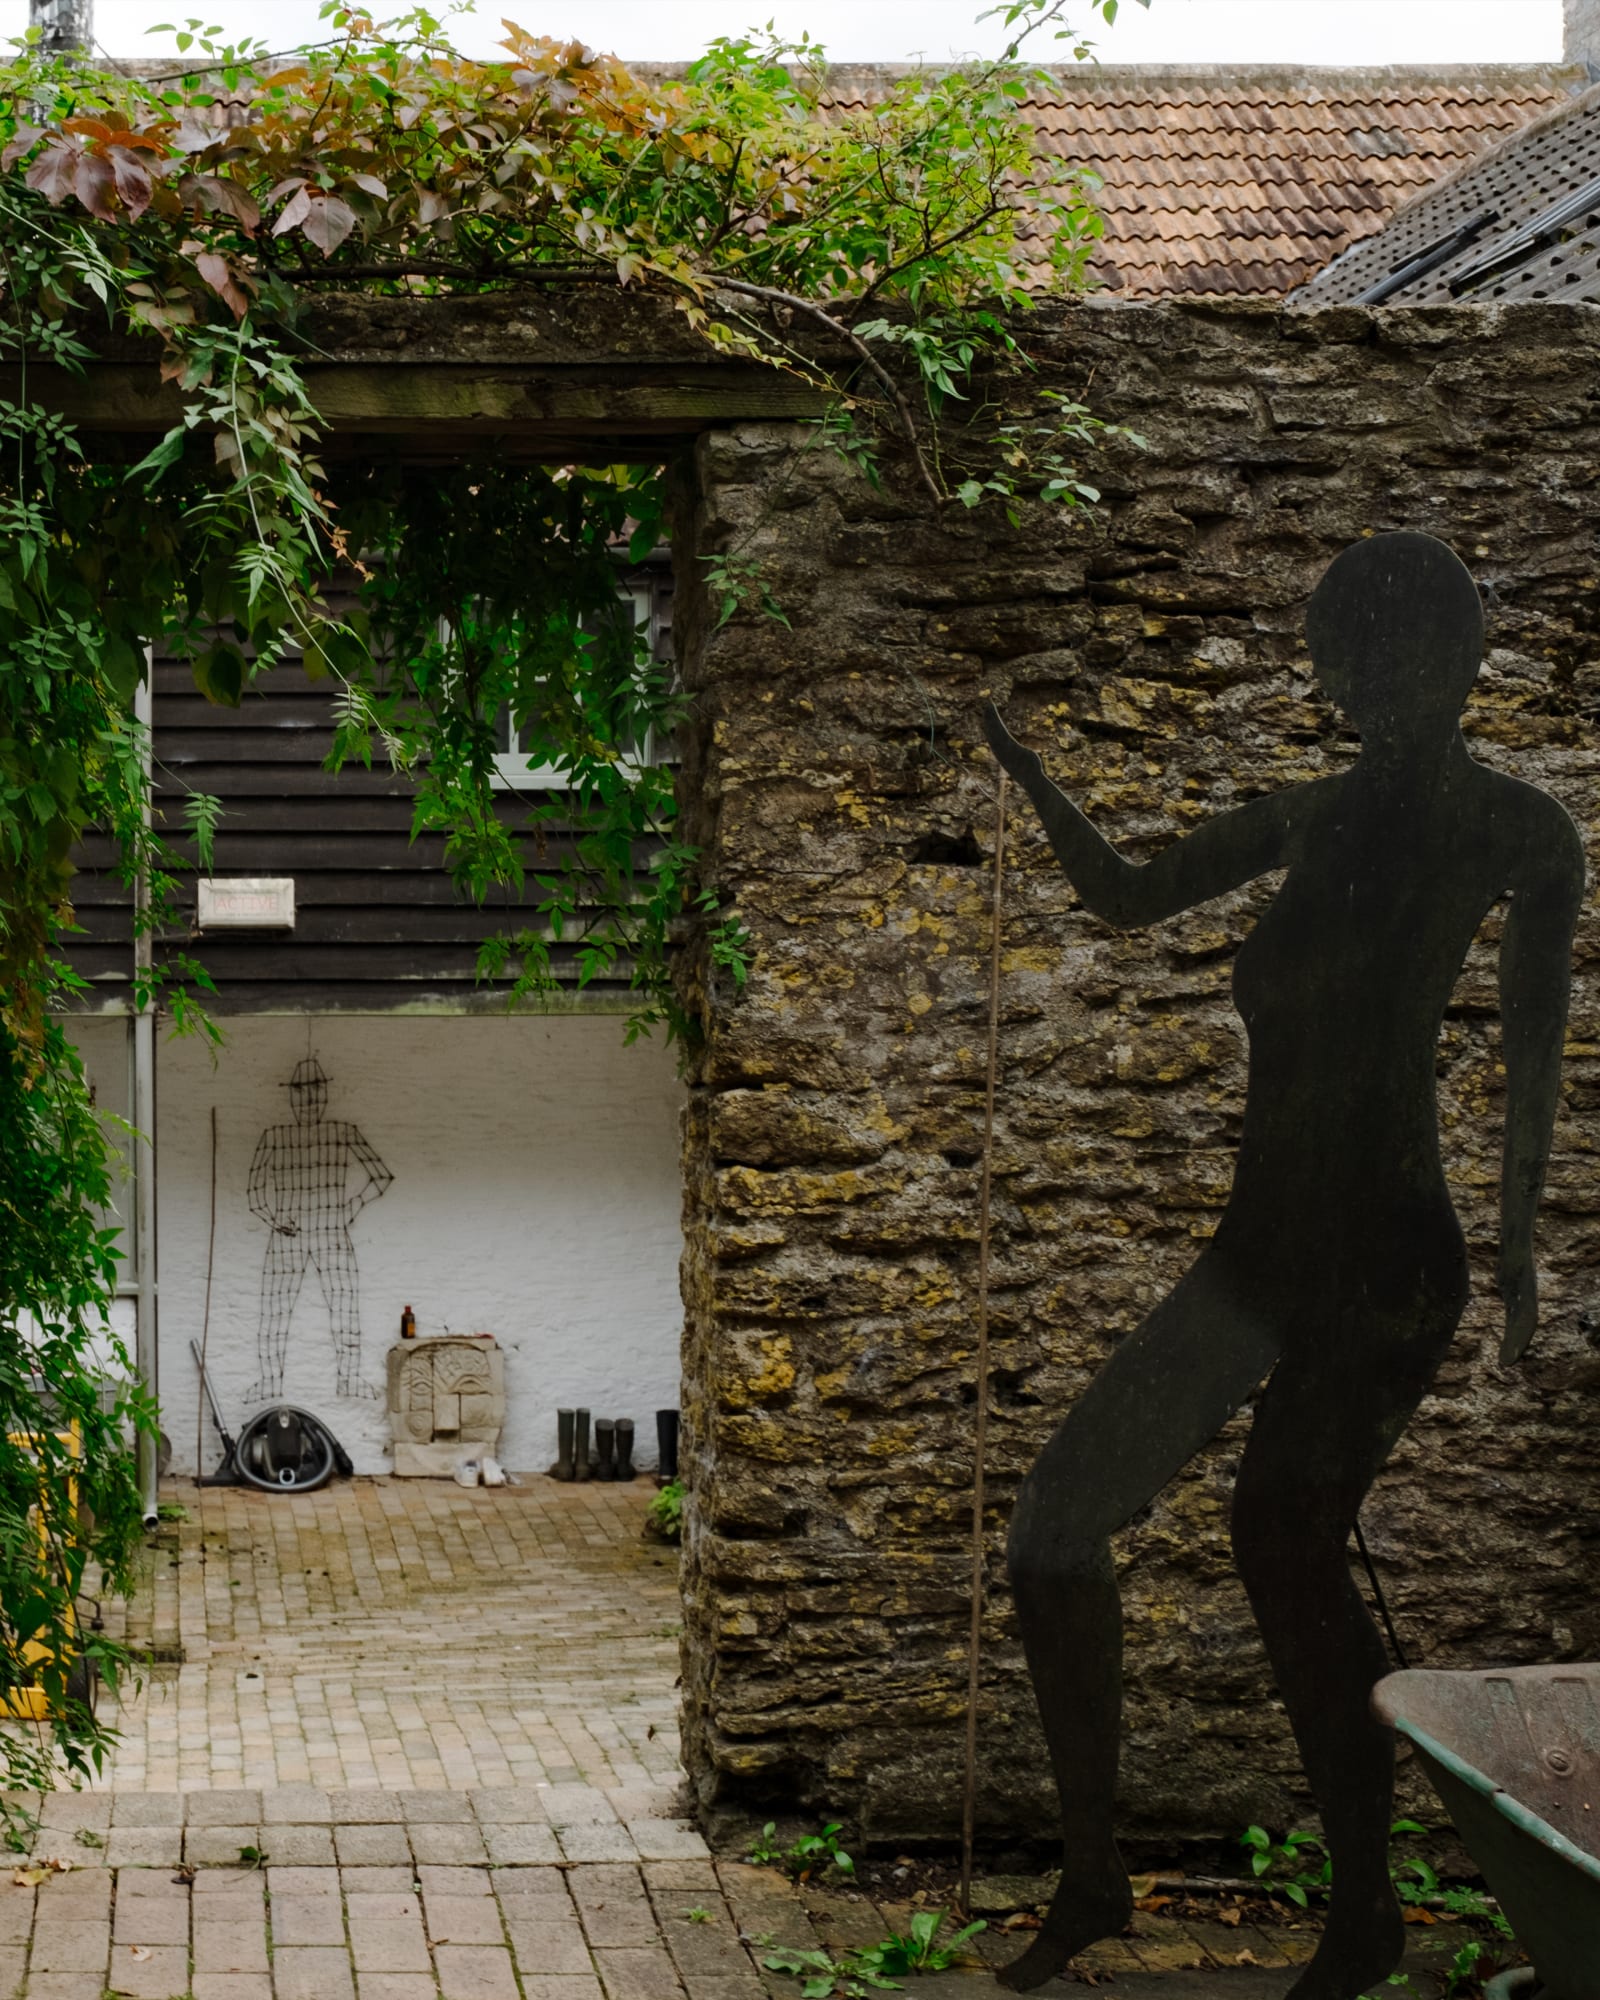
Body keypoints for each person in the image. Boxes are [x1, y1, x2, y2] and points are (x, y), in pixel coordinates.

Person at [981, 533, 1584, 2000]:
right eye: (1356, 657)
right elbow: (1127, 896)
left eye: (1413, 654)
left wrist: (1514, 1269)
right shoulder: (1307, 818)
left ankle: (1366, 1910)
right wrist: (1028, 774)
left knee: (1282, 1544)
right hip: (1259, 1251)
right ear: (1336, 674)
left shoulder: (1521, 830)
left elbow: (1529, 1058)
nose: (1382, 682)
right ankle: (1095, 1872)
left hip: (1387, 1260)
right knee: (1057, 1527)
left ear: (1460, 663)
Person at [246, 1055, 394, 1402]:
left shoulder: (342, 1132)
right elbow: (254, 1194)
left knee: (344, 1305)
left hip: (332, 1232)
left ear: (325, 1095)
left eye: (315, 1092)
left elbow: (381, 1175)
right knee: (274, 1307)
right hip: (288, 1234)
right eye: (301, 1093)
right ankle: (269, 1381)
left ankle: (350, 1379)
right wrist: (274, 1218)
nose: (309, 1102)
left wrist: (352, 1206)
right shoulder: (274, 1137)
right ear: (291, 1096)